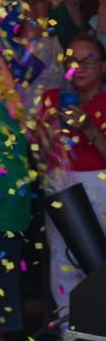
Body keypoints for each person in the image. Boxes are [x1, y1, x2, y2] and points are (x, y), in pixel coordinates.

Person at [33, 33, 106, 317]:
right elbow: (39, 157)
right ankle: (69, 335)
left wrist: (88, 128)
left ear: (103, 66)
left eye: (88, 60)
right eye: (73, 60)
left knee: (99, 261)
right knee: (63, 260)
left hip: (100, 183)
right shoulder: (52, 99)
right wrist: (45, 139)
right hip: (60, 183)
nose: (80, 67)